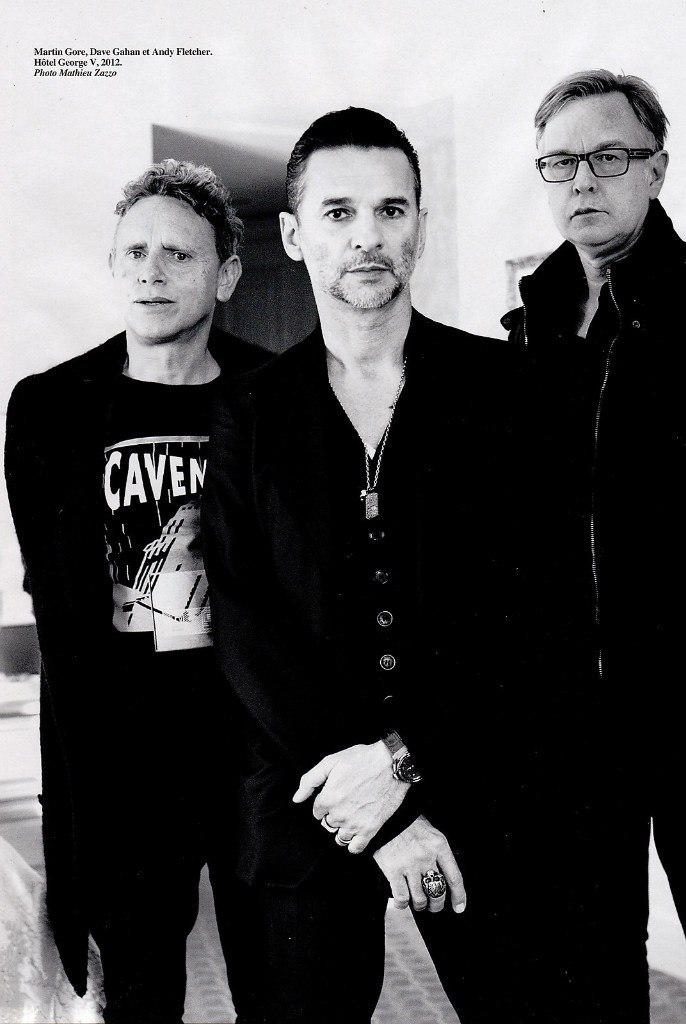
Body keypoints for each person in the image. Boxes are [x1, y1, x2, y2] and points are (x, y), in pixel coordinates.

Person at [203, 107, 625, 1024]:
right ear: (295, 234)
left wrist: (405, 759)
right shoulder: (249, 411)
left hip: (485, 781)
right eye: (340, 212)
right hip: (308, 796)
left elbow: (541, 613)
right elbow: (242, 619)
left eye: (391, 210)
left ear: (421, 229)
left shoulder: (508, 391)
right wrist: (379, 804)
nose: (368, 236)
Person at [4, 159, 270, 1022]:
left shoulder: (275, 397)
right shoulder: (50, 407)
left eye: (179, 255)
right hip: (123, 764)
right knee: (141, 996)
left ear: (226, 275)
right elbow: (56, 605)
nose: (152, 272)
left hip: (255, 752)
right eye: (135, 253)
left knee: (282, 985)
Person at [501, 67, 686, 1010]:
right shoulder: (527, 328)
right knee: (595, 958)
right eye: (560, 161)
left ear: (657, 169)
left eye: (609, 157)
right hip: (570, 714)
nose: (582, 180)